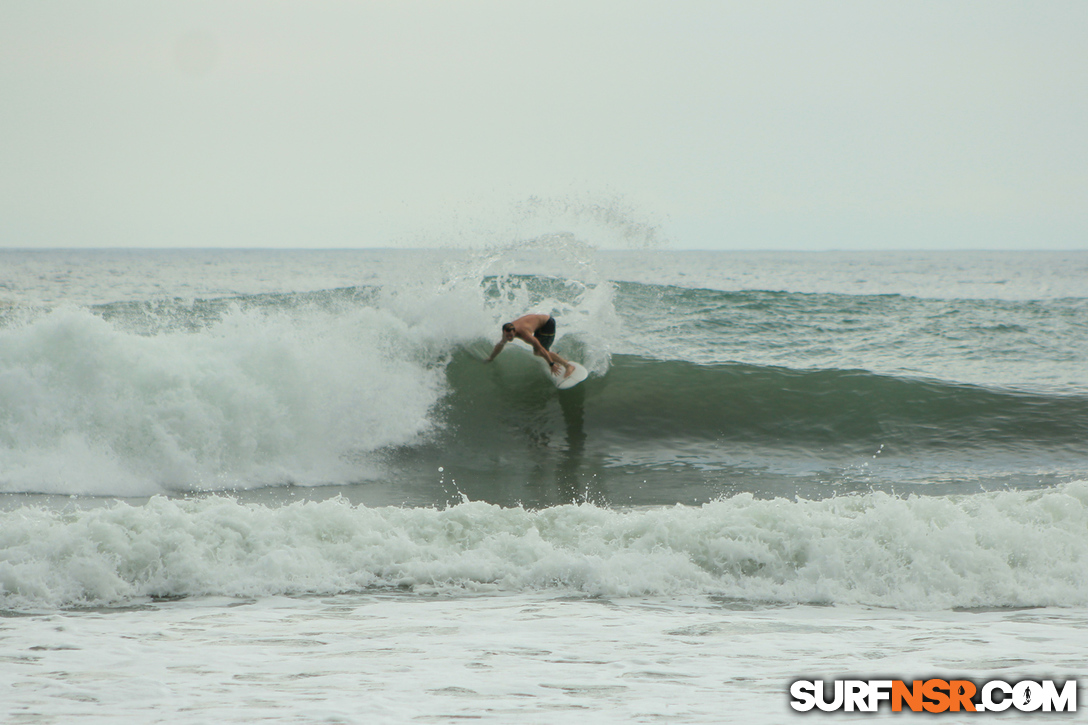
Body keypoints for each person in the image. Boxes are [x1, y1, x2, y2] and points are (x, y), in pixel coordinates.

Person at [485, 313, 575, 378]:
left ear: (515, 332)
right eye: (507, 336)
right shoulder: (507, 331)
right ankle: (556, 358)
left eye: (511, 336)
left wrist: (551, 364)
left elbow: (540, 348)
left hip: (547, 324)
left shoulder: (524, 334)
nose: (509, 338)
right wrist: (491, 358)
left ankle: (568, 366)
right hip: (539, 326)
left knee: (539, 352)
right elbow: (500, 345)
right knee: (538, 352)